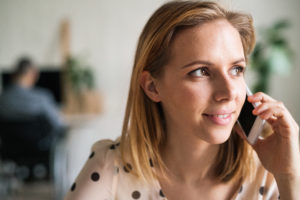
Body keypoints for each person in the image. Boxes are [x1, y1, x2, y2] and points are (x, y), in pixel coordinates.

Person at [65, 1, 300, 199]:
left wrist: (289, 178)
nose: (229, 92)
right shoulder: (110, 169)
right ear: (152, 87)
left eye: (236, 69)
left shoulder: (271, 171)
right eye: (200, 71)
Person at [0, 57, 64, 135]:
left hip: (9, 146)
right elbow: (57, 124)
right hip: (40, 145)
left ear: (14, 74)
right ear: (34, 74)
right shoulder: (42, 98)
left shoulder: (2, 98)